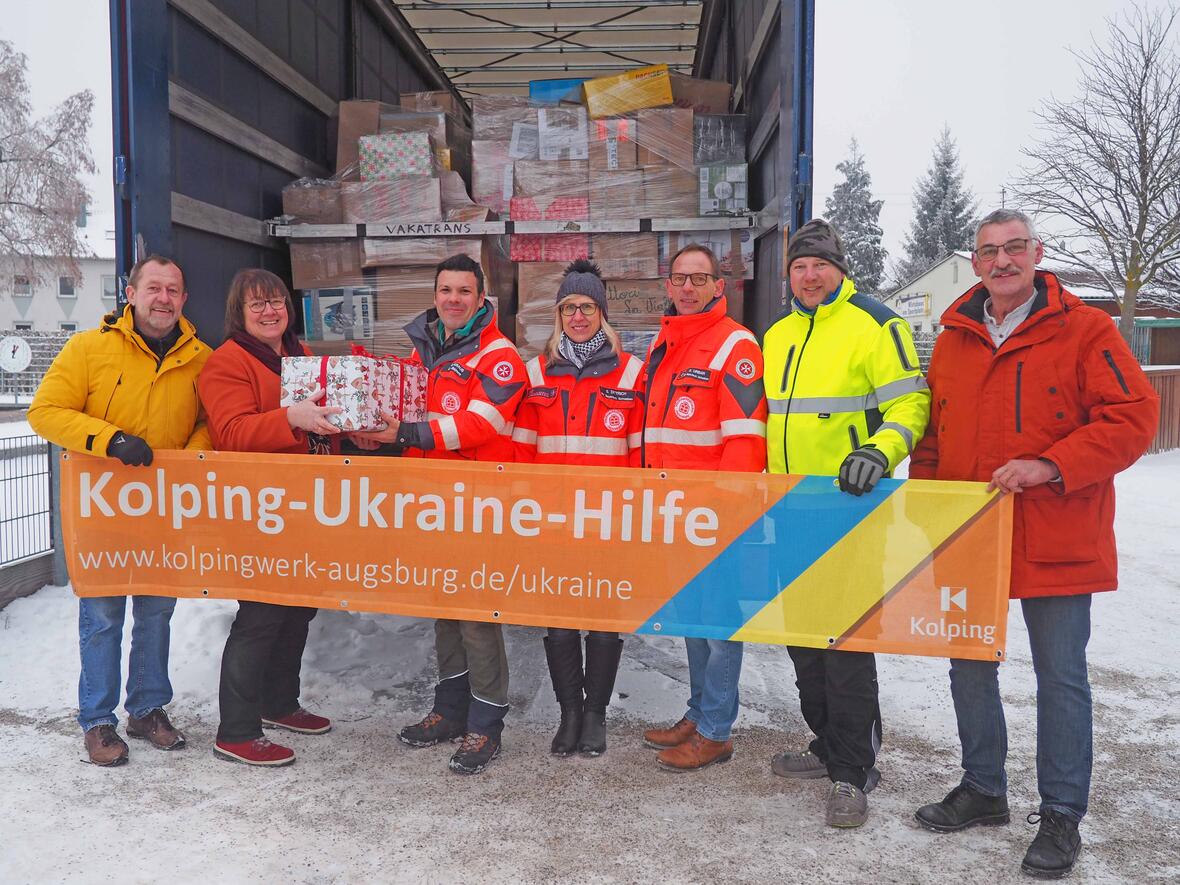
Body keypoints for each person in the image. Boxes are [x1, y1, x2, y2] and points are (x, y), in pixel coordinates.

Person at [910, 209, 1159, 878]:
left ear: (1036, 252)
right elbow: (932, 433)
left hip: (1057, 530)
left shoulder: (1086, 328)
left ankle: (1060, 815)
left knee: (1061, 678)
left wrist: (1052, 464)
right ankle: (984, 787)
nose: (1002, 260)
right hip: (973, 533)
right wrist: (929, 507)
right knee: (968, 665)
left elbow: (1134, 416)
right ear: (976, 259)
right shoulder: (956, 336)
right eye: (989, 250)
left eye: (1014, 247)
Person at [762, 218, 931, 828]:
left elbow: (913, 402)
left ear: (839, 267)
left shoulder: (876, 323)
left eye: (820, 266)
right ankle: (827, 744)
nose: (809, 276)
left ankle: (854, 771)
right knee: (803, 640)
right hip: (790, 511)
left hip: (853, 511)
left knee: (847, 645)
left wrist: (878, 451)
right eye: (799, 268)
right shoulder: (778, 335)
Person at [28, 255, 210, 766]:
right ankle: (99, 721)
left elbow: (210, 420)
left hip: (162, 508)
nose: (164, 299)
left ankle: (148, 708)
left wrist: (187, 457)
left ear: (184, 300)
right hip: (103, 509)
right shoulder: (89, 348)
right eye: (154, 288)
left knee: (156, 612)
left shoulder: (201, 358)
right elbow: (46, 411)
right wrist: (111, 440)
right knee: (104, 616)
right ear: (130, 293)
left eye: (173, 290)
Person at [363, 254, 526, 775]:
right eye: (445, 290)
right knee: (445, 613)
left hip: (477, 505)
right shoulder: (423, 353)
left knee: (478, 618)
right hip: (430, 504)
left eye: (464, 290)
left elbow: (481, 424)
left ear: (481, 299)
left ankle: (486, 725)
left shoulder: (499, 356)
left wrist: (405, 434)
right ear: (434, 296)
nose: (453, 299)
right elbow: (404, 412)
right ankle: (450, 711)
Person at [197, 268, 348, 767]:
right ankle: (236, 731)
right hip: (260, 511)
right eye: (256, 304)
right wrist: (289, 418)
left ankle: (279, 703)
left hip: (305, 507)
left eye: (276, 301)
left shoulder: (300, 357)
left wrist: (355, 431)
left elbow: (321, 426)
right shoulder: (227, 363)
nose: (269, 311)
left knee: (299, 608)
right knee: (260, 615)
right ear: (239, 314)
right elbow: (233, 433)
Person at [638, 244, 768, 771]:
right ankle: (699, 712)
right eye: (679, 279)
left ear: (720, 286)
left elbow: (745, 438)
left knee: (718, 626)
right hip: (673, 513)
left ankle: (716, 730)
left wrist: (727, 514)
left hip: (711, 516)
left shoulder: (735, 346)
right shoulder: (663, 344)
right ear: (668, 287)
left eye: (699, 279)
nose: (688, 288)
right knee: (694, 620)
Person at [511, 260, 644, 758]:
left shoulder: (632, 372)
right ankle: (569, 711)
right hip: (553, 521)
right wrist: (525, 511)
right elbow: (522, 451)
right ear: (559, 315)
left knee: (605, 619)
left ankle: (595, 715)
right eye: (569, 308)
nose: (578, 316)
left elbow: (638, 452)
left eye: (587, 307)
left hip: (609, 520)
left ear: (602, 313)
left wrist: (633, 514)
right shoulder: (536, 373)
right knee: (561, 619)